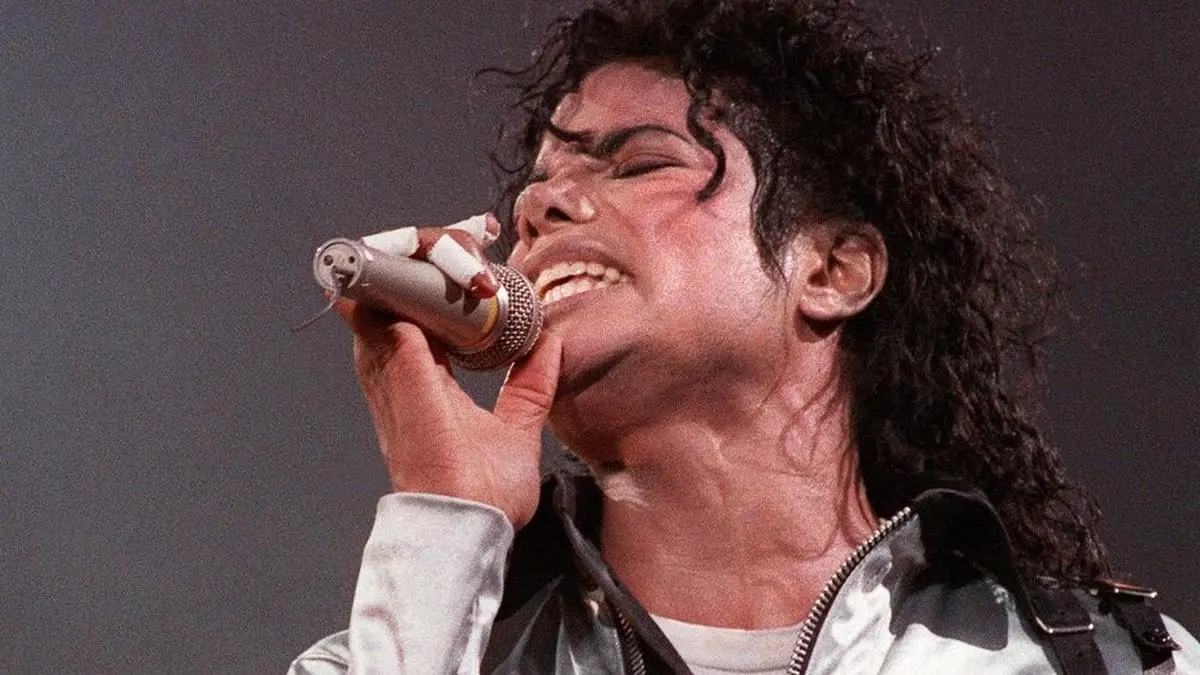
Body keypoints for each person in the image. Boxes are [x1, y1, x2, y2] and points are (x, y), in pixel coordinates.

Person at [291, 1, 1198, 672]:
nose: (539, 206)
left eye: (640, 163)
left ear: (833, 271)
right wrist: (448, 524)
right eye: (536, 191)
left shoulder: (1107, 662)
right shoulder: (409, 645)